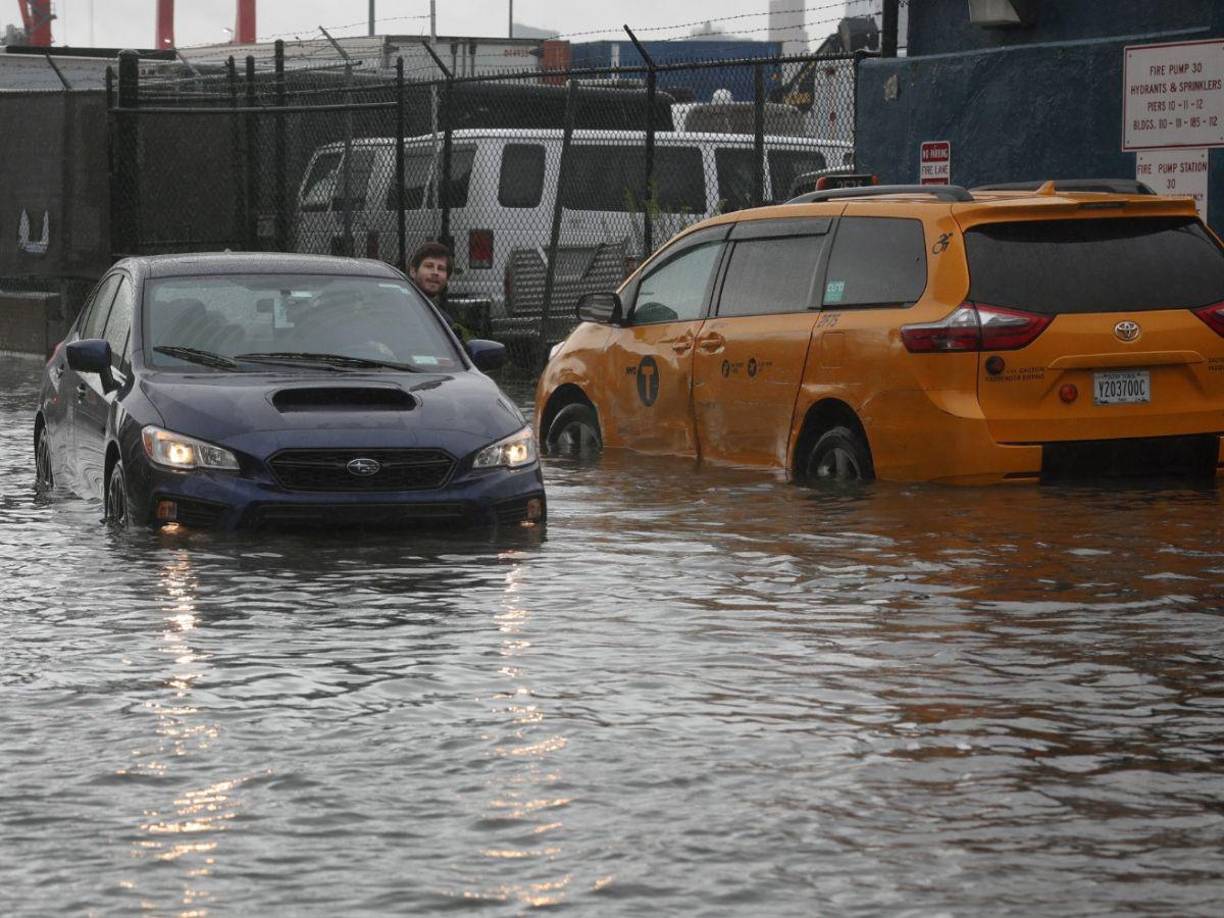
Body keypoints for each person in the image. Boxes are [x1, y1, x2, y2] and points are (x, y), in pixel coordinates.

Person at [409, 241, 472, 341]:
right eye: (429, 266)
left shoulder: (445, 322)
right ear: (413, 271)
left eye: (441, 269)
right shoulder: (400, 308)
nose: (435, 273)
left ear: (447, 277)